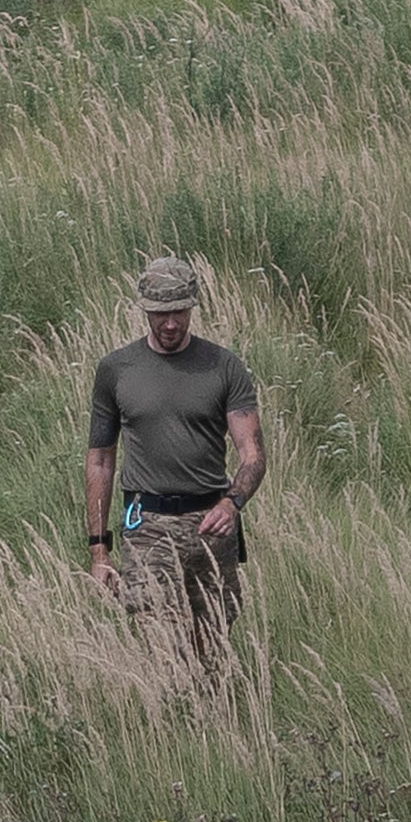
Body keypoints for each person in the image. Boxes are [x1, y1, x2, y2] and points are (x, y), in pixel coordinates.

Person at [85, 253, 262, 667]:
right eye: (160, 313)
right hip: (146, 524)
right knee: (161, 648)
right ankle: (168, 723)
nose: (170, 323)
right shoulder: (116, 370)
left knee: (213, 647)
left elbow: (252, 454)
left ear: (192, 306)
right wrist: (99, 551)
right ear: (145, 309)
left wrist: (231, 503)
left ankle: (216, 724)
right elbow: (100, 461)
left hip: (211, 525)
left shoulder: (224, 366)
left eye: (179, 312)